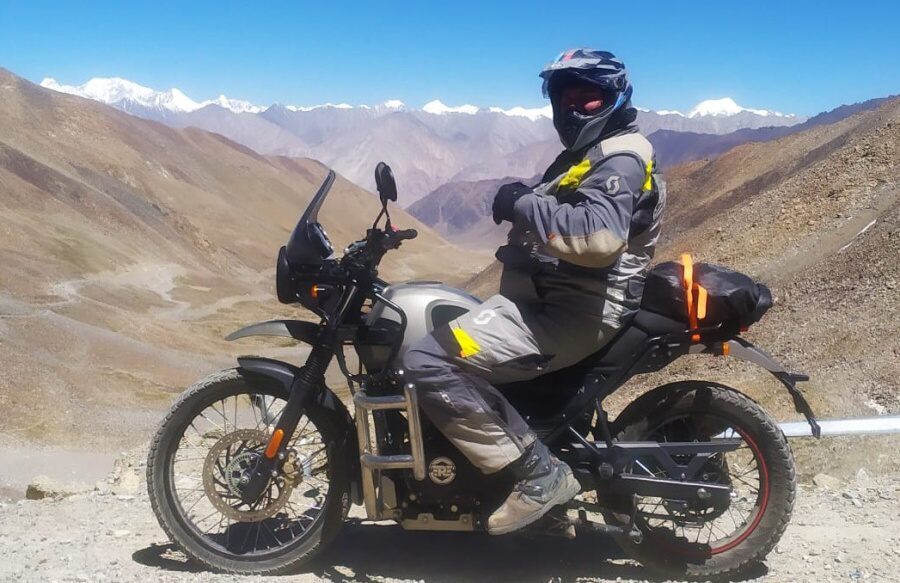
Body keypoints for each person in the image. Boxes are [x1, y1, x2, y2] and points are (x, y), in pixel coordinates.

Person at [403, 48, 666, 535]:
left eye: (587, 98)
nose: (572, 109)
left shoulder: (622, 158)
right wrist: (527, 197)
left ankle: (539, 475)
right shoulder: (591, 154)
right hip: (547, 302)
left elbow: (597, 237)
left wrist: (522, 204)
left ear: (615, 97)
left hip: (571, 313)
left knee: (428, 359)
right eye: (565, 98)